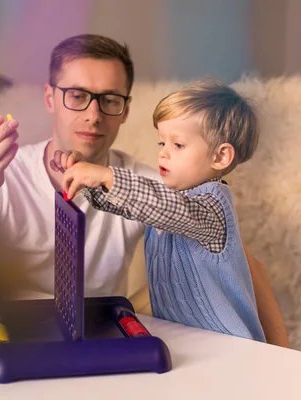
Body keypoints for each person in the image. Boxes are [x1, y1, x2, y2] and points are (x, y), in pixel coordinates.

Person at [0, 34, 289, 347]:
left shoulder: (160, 186)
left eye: (109, 100)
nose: (93, 114)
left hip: (90, 341)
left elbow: (237, 257)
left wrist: (283, 357)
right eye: (77, 95)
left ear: (125, 110)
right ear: (49, 97)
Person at [53, 79, 265, 341]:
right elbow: (136, 206)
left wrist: (107, 175)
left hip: (231, 346)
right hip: (188, 339)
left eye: (178, 145)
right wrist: (88, 182)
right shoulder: (168, 199)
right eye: (161, 143)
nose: (163, 154)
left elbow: (167, 208)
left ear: (220, 157)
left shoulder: (212, 209)